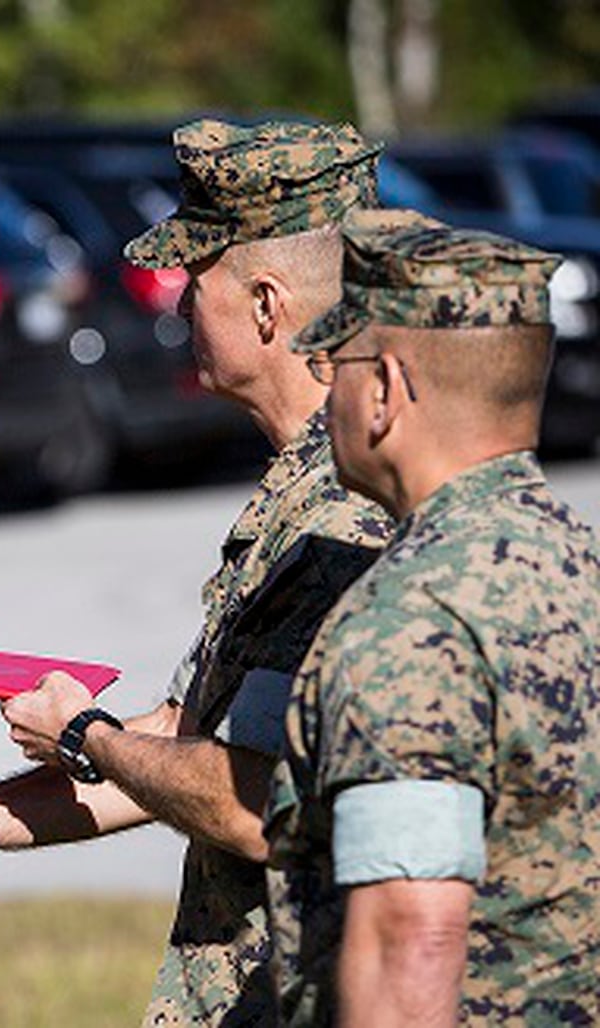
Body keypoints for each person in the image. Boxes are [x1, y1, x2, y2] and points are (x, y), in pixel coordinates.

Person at [0, 118, 393, 1025]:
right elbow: (185, 735)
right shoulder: (309, 484)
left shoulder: (344, 512)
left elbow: (250, 802)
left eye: (195, 280)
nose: (177, 306)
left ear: (266, 306)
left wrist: (84, 733)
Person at [265, 208, 600, 1025]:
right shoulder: (578, 562)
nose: (327, 392)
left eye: (336, 362)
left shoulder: (411, 622)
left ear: (383, 389)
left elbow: (410, 940)